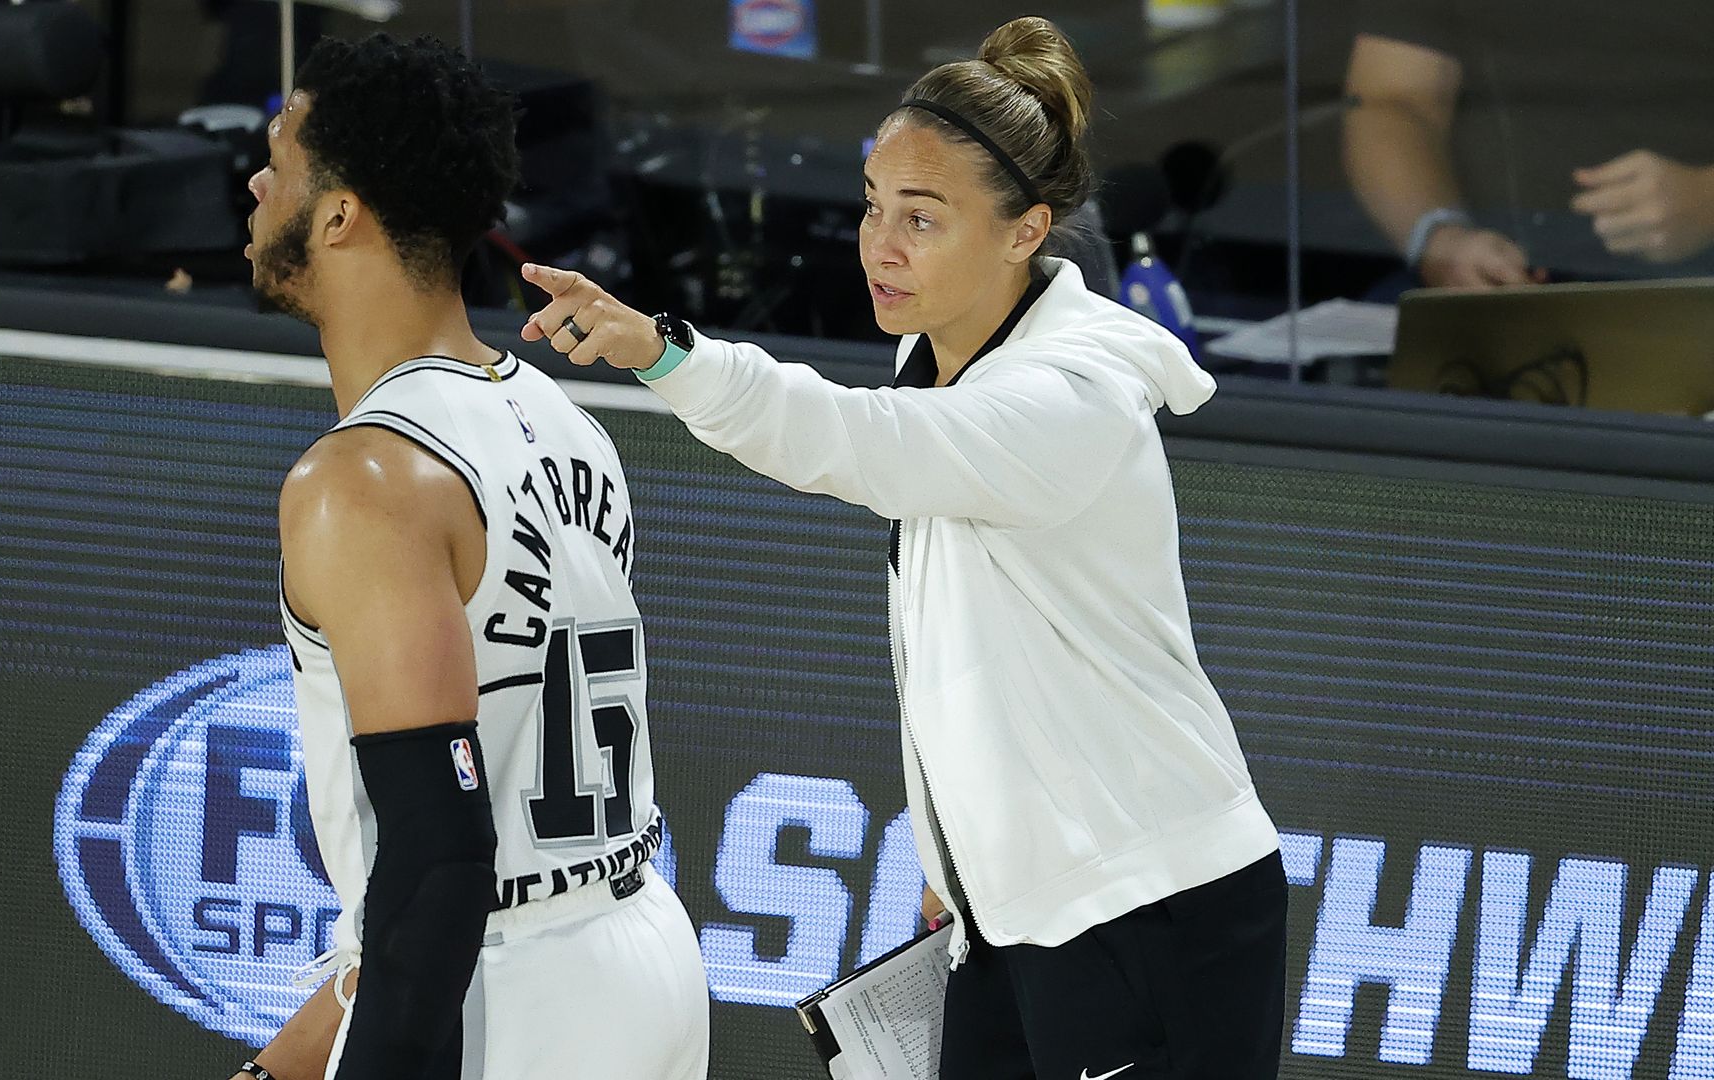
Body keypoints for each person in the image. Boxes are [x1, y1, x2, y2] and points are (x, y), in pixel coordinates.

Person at [519, 15, 1287, 1080]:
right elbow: (970, 648)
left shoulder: (1069, 398)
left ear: (1028, 231)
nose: (881, 245)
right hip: (1005, 912)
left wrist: (664, 355)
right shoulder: (938, 362)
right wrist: (956, 855)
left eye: (921, 219)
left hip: (1148, 910)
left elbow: (847, 440)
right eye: (876, 207)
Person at [232, 34, 708, 1080]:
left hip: (511, 997)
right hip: (642, 955)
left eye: (282, 160)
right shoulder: (563, 418)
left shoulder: (360, 481)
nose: (260, 182)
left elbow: (442, 868)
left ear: (342, 213)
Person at [1343, 0, 1714, 289]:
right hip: (1496, 284)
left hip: (1689, 289)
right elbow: (1393, 102)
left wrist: (1706, 201)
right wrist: (1439, 240)